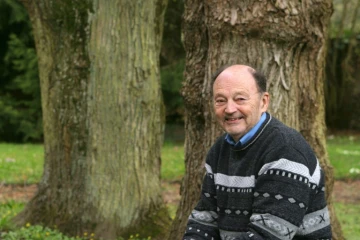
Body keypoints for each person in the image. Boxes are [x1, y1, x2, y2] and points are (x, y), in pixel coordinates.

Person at [183, 64, 332, 240]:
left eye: (240, 99)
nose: (230, 109)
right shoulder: (219, 150)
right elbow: (204, 221)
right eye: (220, 100)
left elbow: (268, 235)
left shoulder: (286, 150)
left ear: (263, 102)